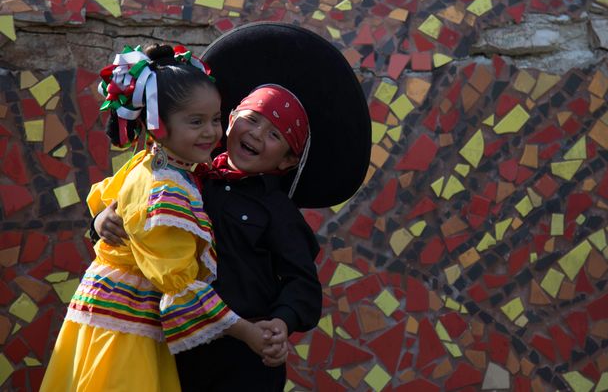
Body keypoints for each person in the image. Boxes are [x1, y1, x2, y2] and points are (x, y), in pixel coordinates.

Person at [94, 23, 373, 391]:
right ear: (231, 117)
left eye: (275, 134)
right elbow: (128, 209)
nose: (256, 134)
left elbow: (302, 283)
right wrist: (101, 219)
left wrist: (282, 322)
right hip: (173, 350)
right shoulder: (180, 174)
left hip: (244, 356)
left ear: (287, 161)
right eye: (252, 119)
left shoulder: (279, 212)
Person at [42, 44, 273, 392]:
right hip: (124, 331)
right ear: (156, 125)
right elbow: (178, 286)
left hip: (112, 318)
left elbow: (106, 196)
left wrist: (102, 217)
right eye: (195, 122)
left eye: (215, 119)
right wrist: (248, 333)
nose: (211, 132)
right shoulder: (166, 189)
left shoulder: (153, 163)